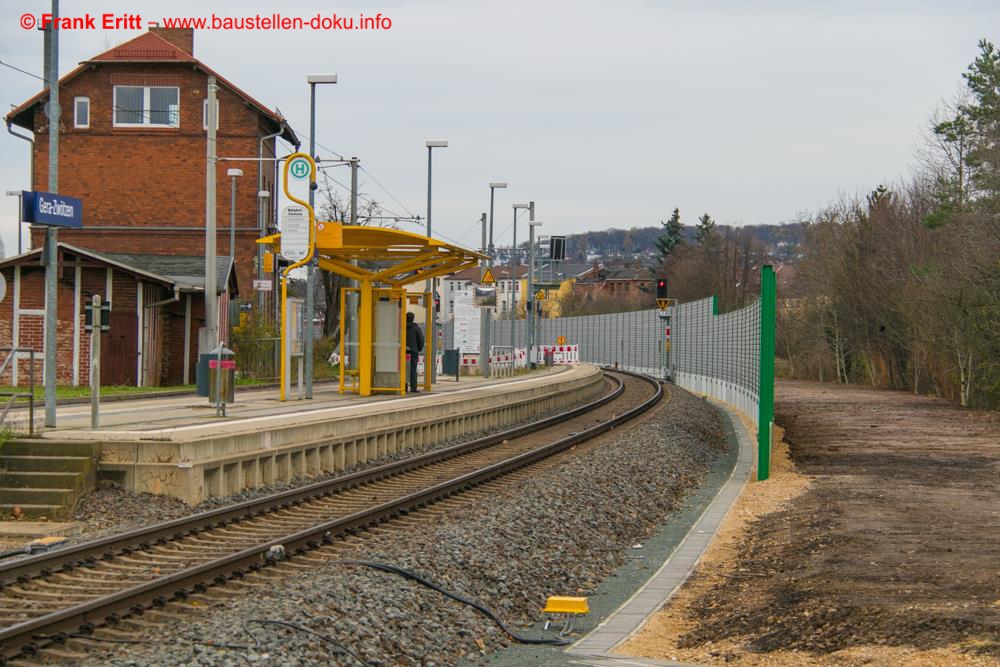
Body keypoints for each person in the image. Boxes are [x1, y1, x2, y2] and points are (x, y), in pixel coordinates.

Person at [405, 311, 424, 393]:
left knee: (403, 369)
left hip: (403, 351)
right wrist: (418, 349)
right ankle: (413, 388)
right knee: (413, 369)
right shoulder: (416, 328)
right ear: (413, 319)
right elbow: (421, 340)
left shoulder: (402, 327)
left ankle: (403, 387)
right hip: (413, 351)